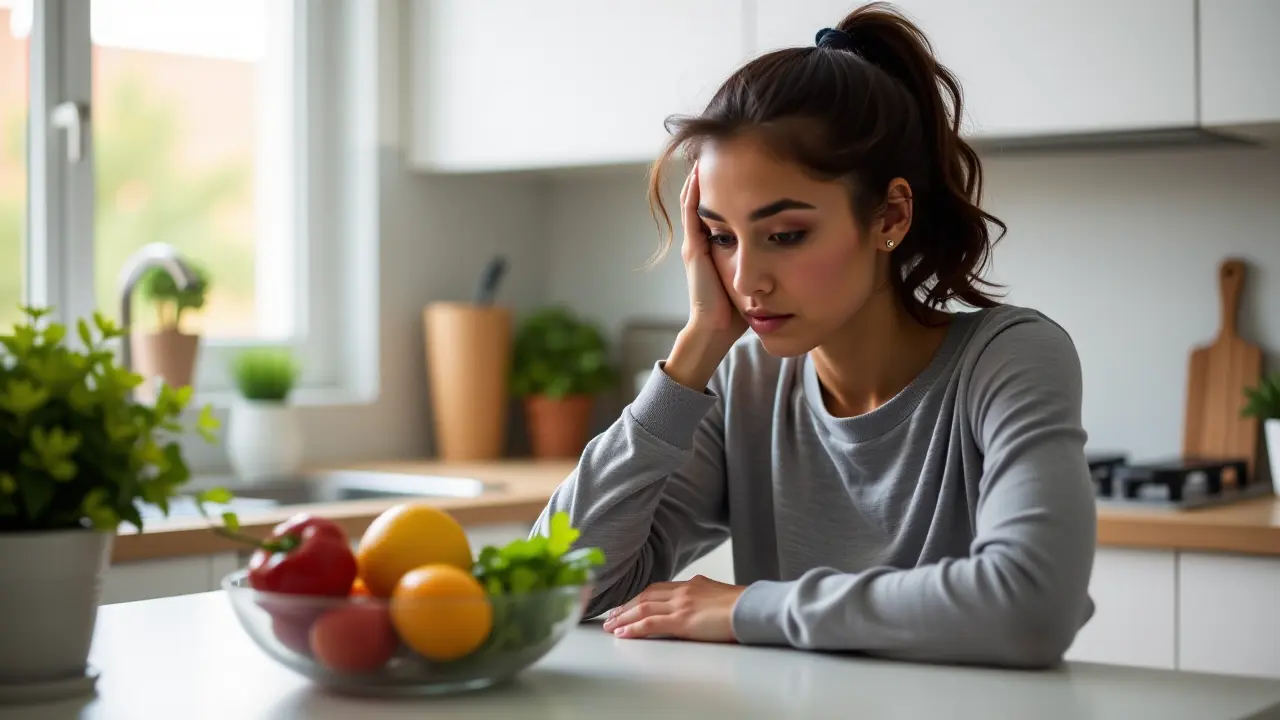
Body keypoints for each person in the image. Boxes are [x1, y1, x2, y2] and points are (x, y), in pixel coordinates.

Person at [531, 2, 1096, 669]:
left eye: (786, 235)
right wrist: (696, 349)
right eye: (720, 236)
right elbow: (554, 586)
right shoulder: (744, 383)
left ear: (890, 214)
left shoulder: (1010, 358)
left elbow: (1032, 606)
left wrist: (747, 608)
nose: (746, 279)